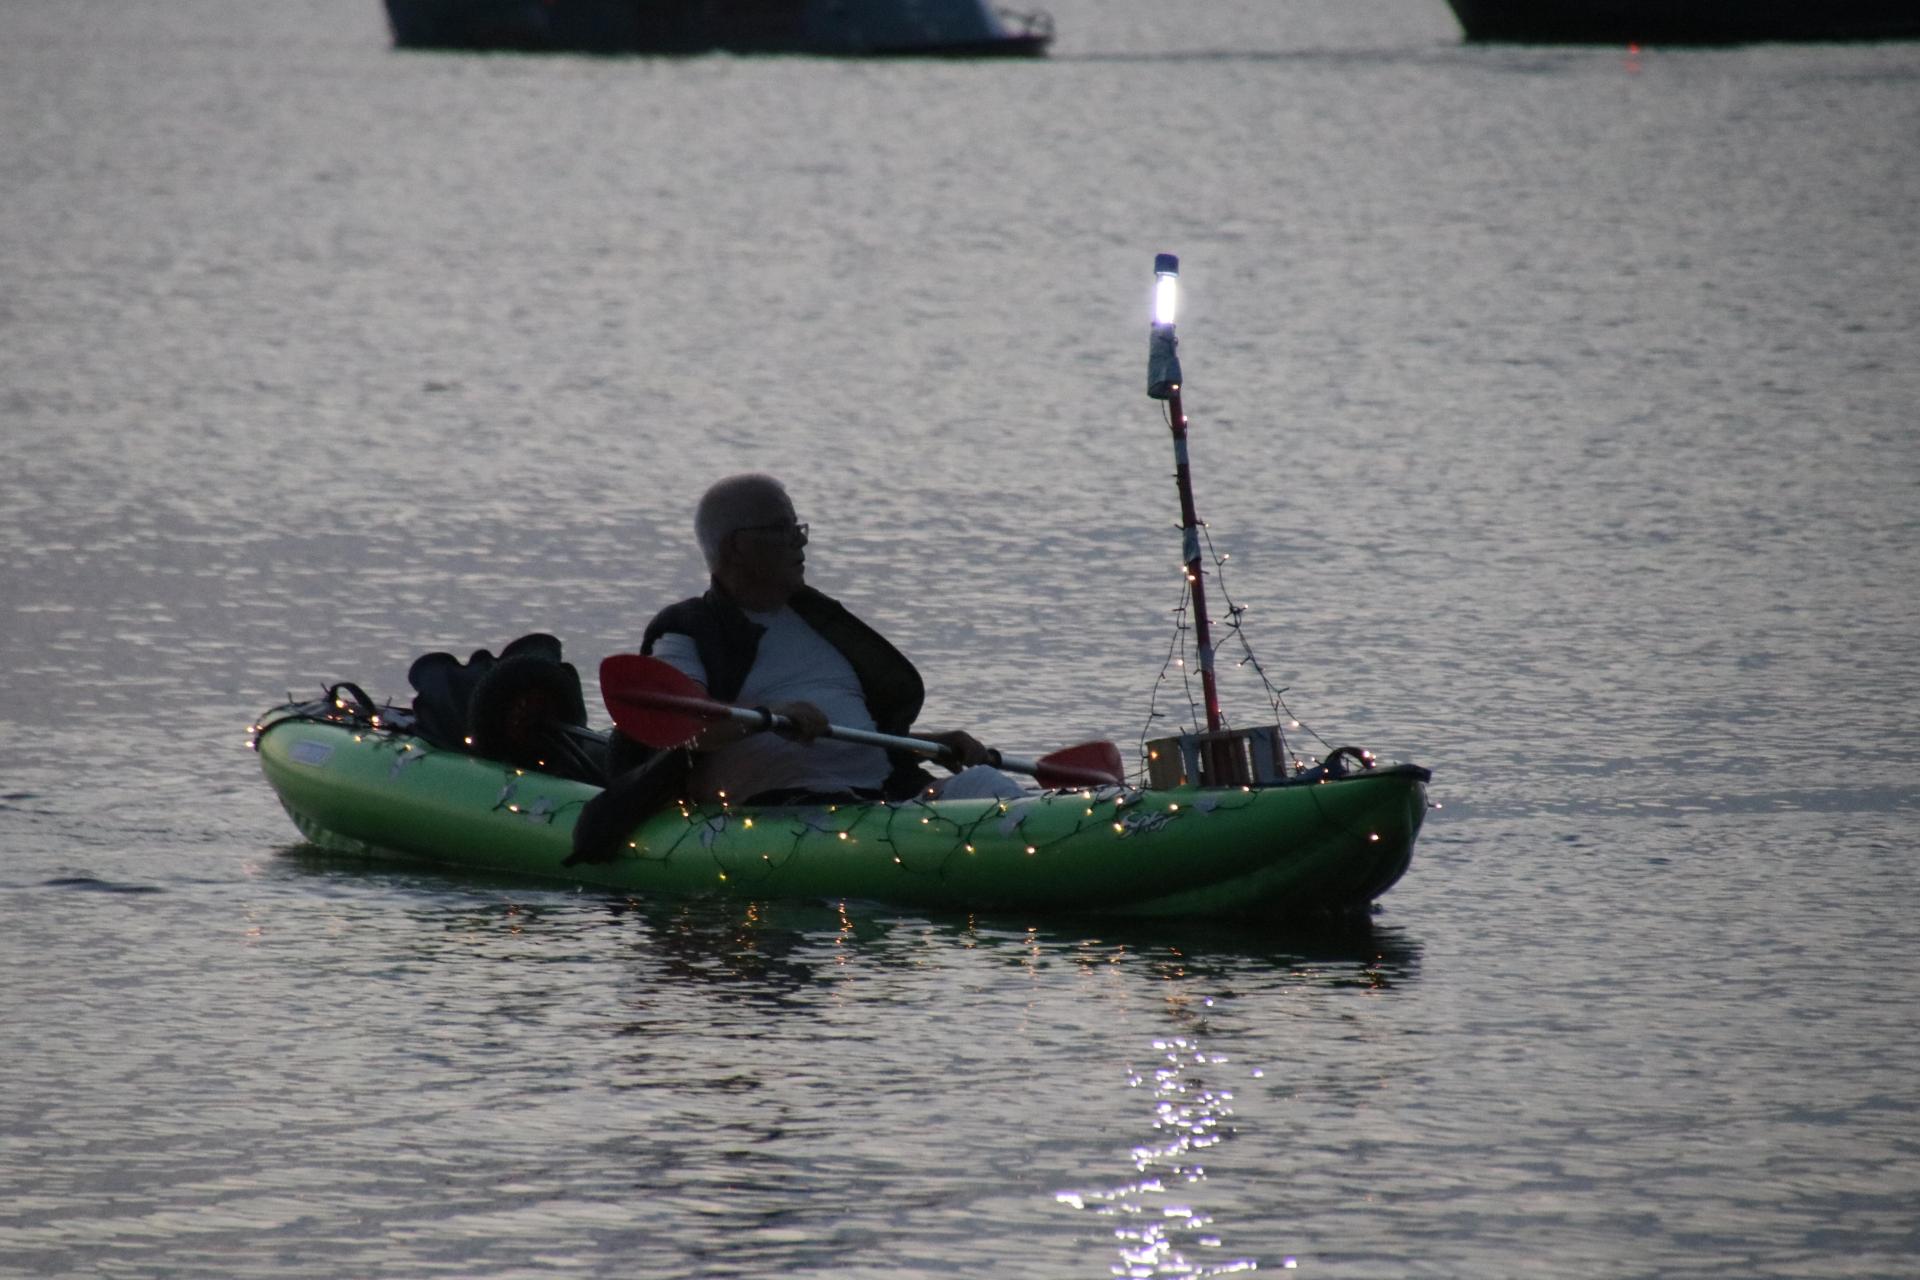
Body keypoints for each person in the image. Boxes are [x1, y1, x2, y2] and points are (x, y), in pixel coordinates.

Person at [639, 473, 1024, 807]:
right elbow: (684, 725)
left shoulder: (817, 622)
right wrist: (770, 716)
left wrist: (926, 743)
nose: (799, 542)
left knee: (986, 783)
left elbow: (841, 733)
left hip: (891, 794)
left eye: (798, 528)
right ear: (736, 547)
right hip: (787, 807)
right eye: (782, 529)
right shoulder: (687, 628)